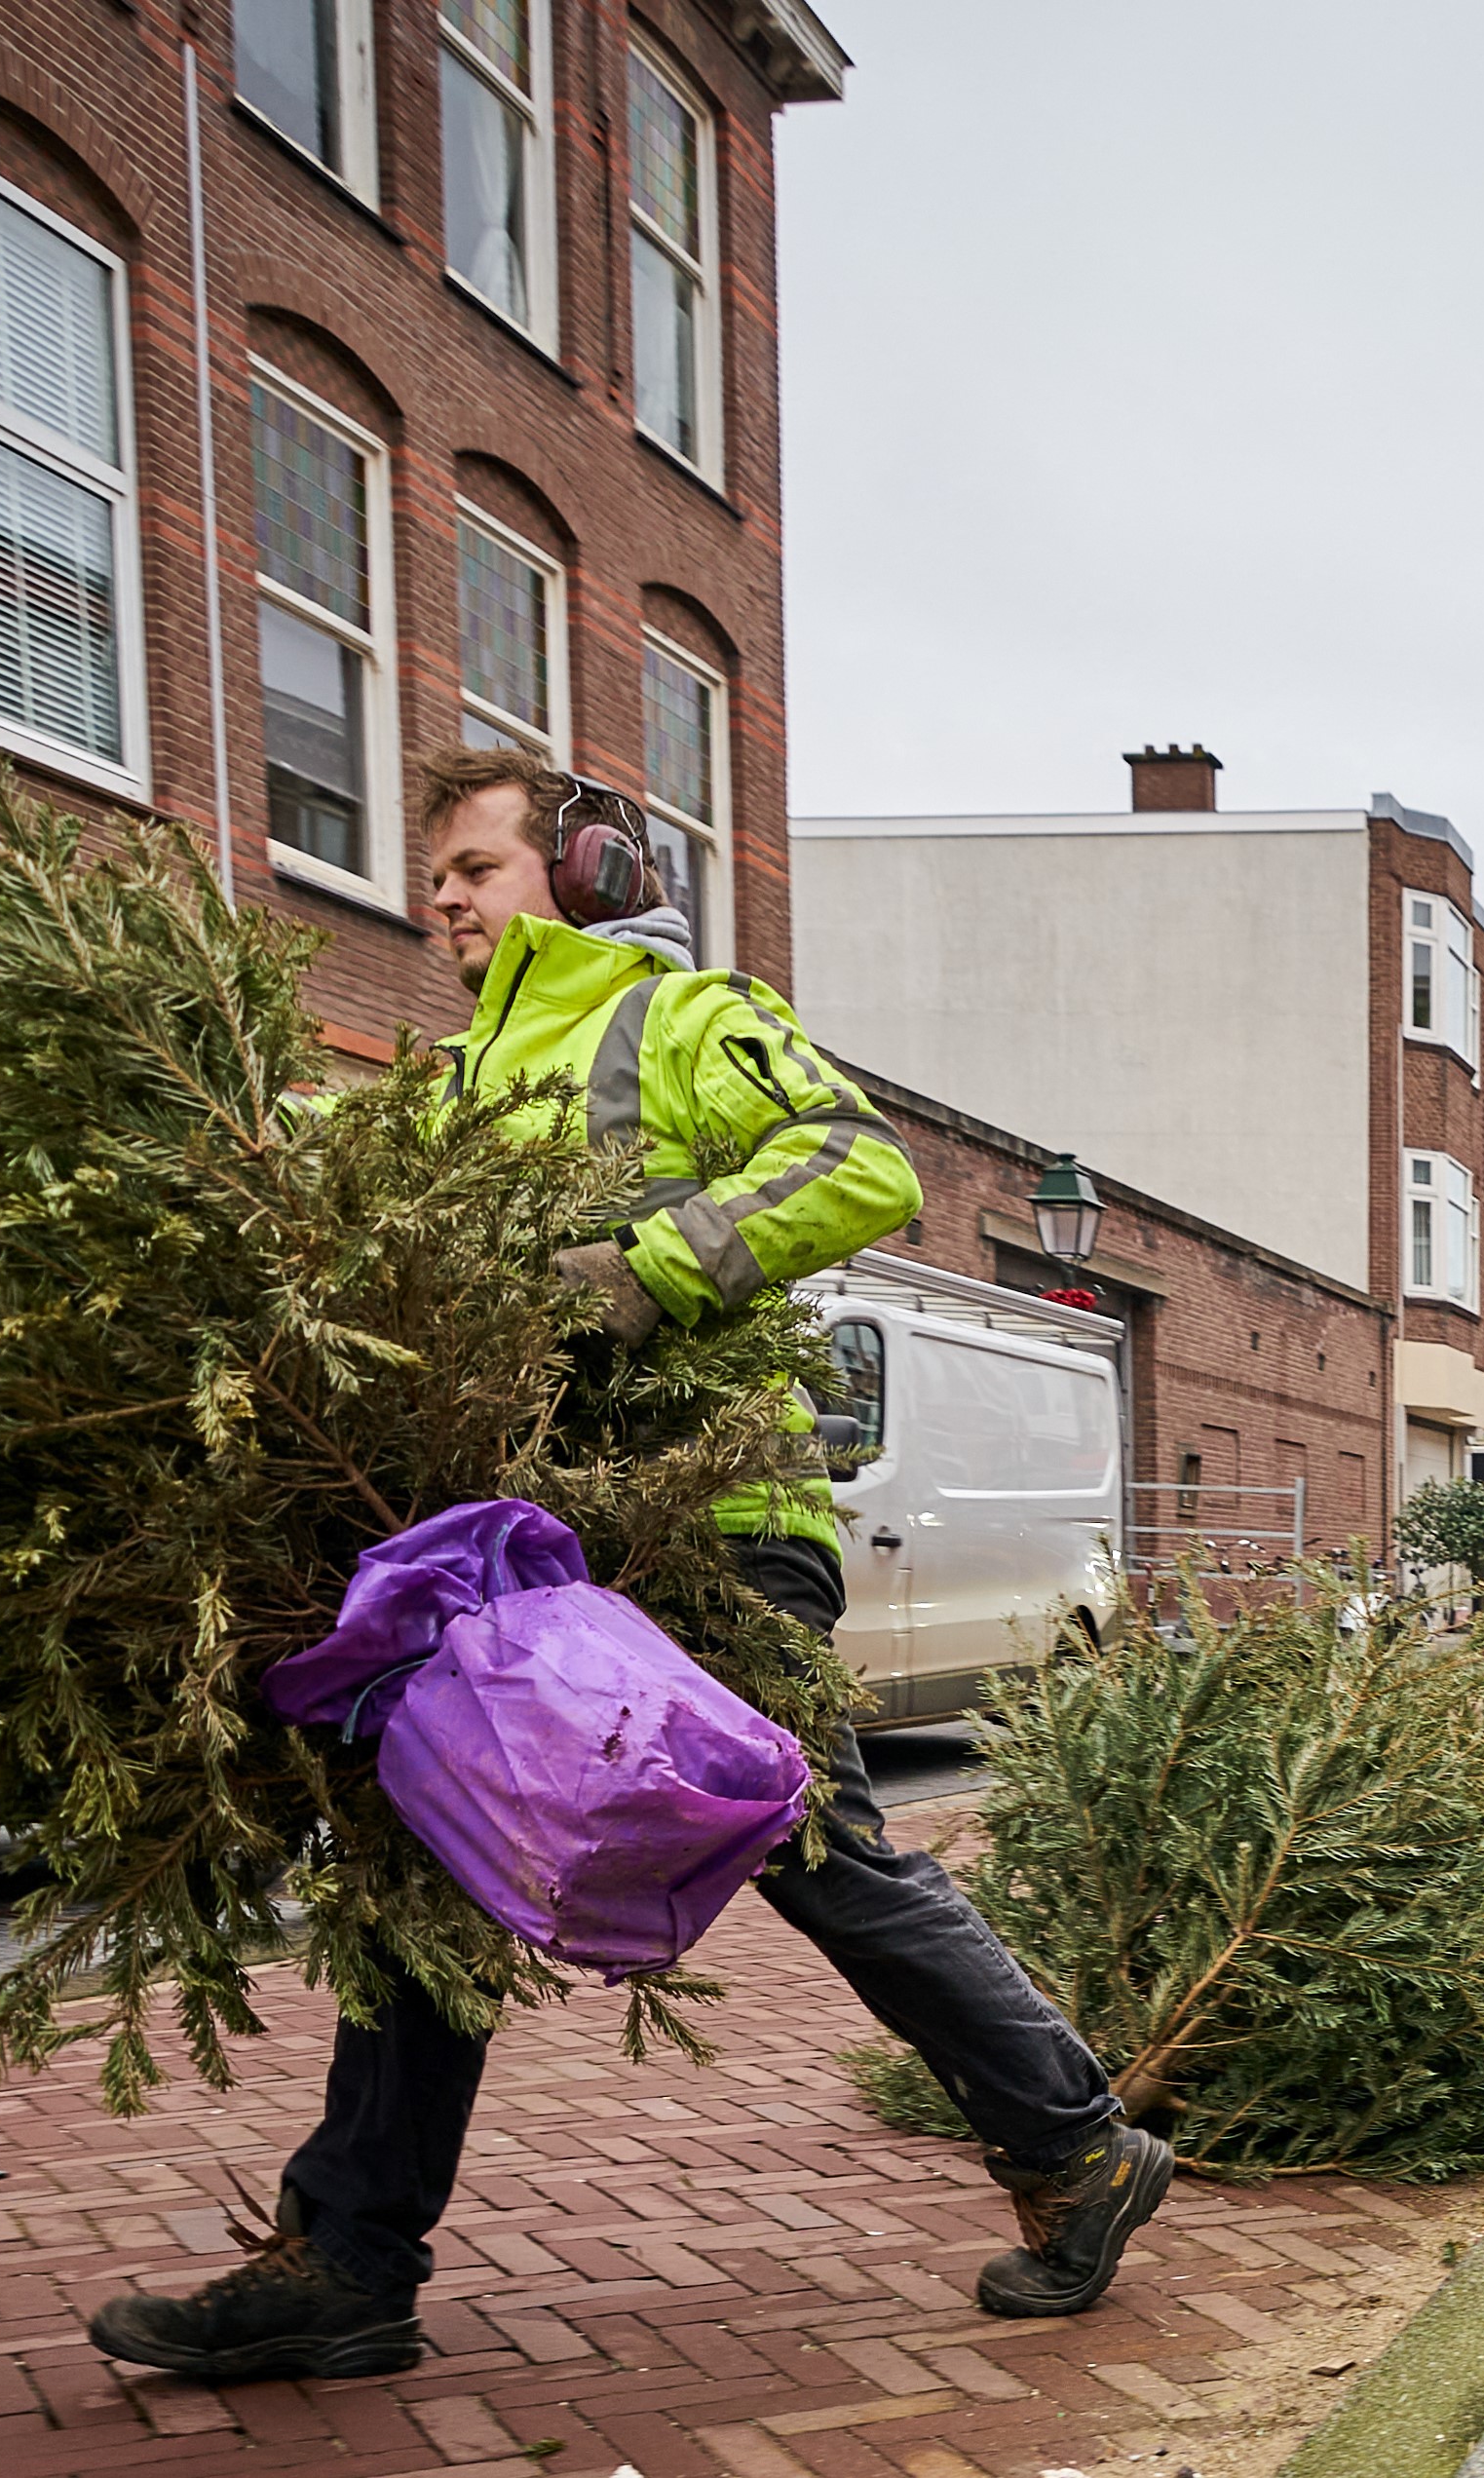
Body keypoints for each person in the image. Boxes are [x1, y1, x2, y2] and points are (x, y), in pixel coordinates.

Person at [85, 749, 1171, 2383]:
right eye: (434, 875)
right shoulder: (450, 1083)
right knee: (430, 1859)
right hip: (531, 1547)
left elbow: (858, 1162)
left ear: (584, 872)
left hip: (715, 1530)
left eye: (475, 867)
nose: (441, 897)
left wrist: (650, 1265)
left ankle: (1075, 2146)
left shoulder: (681, 1017)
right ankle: (351, 2265)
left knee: (810, 1843)